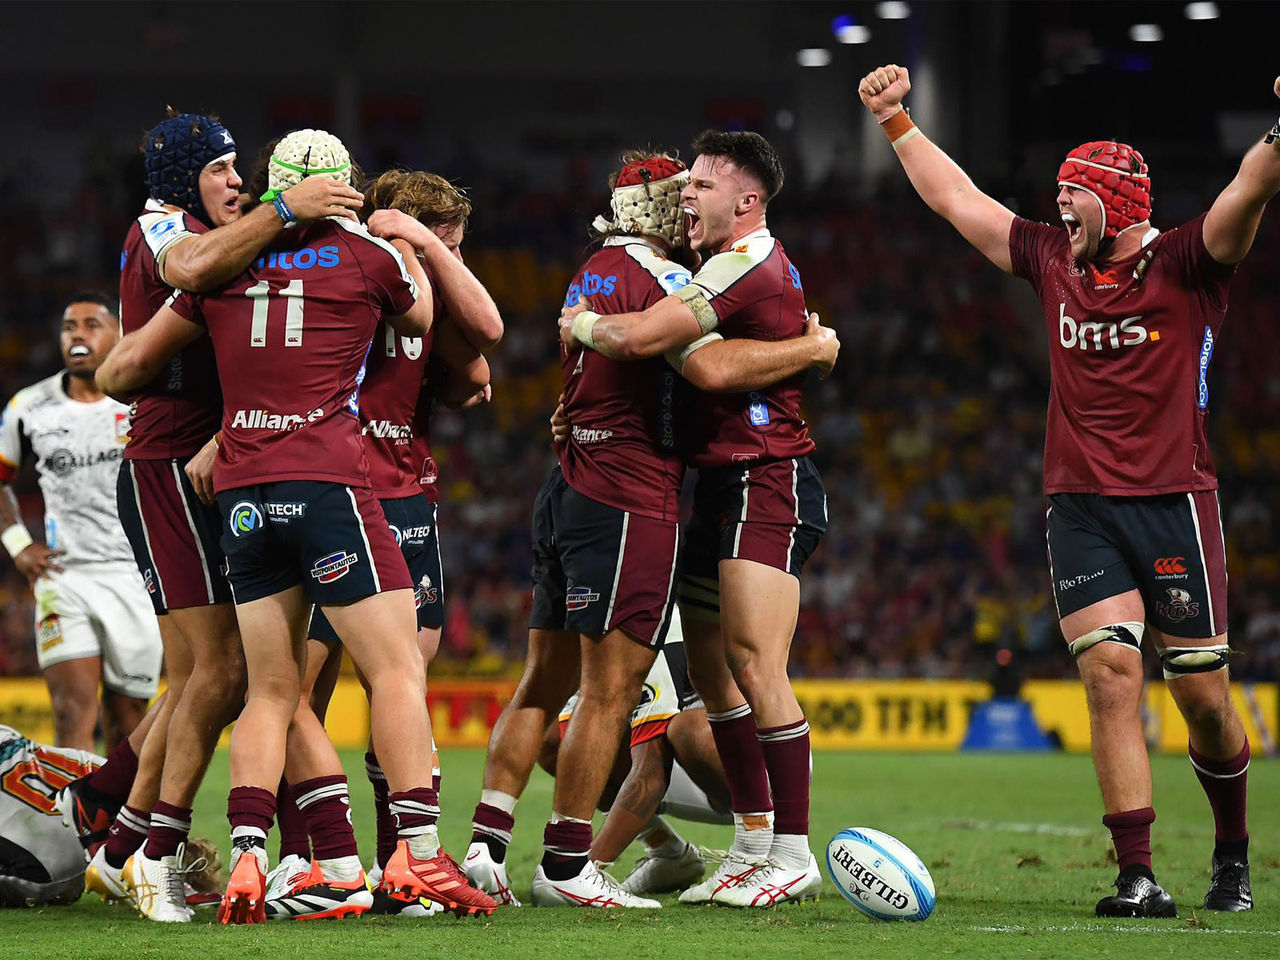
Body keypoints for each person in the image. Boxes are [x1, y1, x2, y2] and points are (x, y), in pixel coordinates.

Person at [858, 63, 1280, 917]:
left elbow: (1249, 188)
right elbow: (960, 202)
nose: (1059, 208)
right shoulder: (1053, 258)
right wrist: (897, 121)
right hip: (1079, 505)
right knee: (1112, 675)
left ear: (1116, 204)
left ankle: (1232, 852)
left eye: (1073, 195)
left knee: (1201, 698)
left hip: (1175, 502)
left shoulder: (1191, 262)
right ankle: (1136, 873)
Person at [104, 129, 496, 923]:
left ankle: (250, 850)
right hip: (330, 483)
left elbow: (121, 370)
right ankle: (419, 853)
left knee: (270, 689)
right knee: (395, 671)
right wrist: (408, 243)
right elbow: (435, 325)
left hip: (243, 495)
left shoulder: (223, 263)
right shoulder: (367, 256)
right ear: (344, 187)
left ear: (274, 183)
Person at [476, 147, 836, 909]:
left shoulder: (682, 268)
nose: (690, 203)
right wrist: (811, 346)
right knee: (697, 676)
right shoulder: (671, 271)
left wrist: (584, 325)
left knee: (744, 665)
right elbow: (677, 360)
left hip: (760, 478)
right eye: (685, 189)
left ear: (743, 201)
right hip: (674, 486)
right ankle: (746, 843)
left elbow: (687, 363)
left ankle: (788, 853)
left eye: (703, 188)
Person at [83, 109, 367, 923]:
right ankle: (147, 852)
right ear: (184, 178)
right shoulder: (162, 224)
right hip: (169, 465)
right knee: (220, 673)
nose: (238, 182)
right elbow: (190, 269)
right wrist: (286, 208)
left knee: (217, 676)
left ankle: (125, 837)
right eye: (223, 168)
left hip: (214, 462)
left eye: (242, 169)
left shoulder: (232, 237)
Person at [264, 168, 498, 920]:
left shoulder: (423, 294)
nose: (451, 259)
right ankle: (303, 859)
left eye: (456, 247)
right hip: (333, 495)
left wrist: (437, 267)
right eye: (446, 245)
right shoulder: (344, 275)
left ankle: (402, 862)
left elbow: (478, 366)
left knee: (401, 689)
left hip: (408, 500)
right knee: (302, 688)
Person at [0, 293, 161, 754]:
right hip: (64, 579)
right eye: (70, 326)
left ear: (119, 334)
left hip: (136, 578)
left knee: (127, 721)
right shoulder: (29, 407)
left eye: (93, 324)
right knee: (72, 712)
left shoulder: (142, 399)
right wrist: (18, 544)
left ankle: (122, 825)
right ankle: (72, 827)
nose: (78, 334)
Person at [539, 608, 733, 895]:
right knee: (557, 744)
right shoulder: (590, 631)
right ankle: (667, 852)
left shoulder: (646, 624)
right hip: (683, 767)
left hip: (756, 770)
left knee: (688, 731)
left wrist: (581, 869)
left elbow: (652, 774)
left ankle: (764, 847)